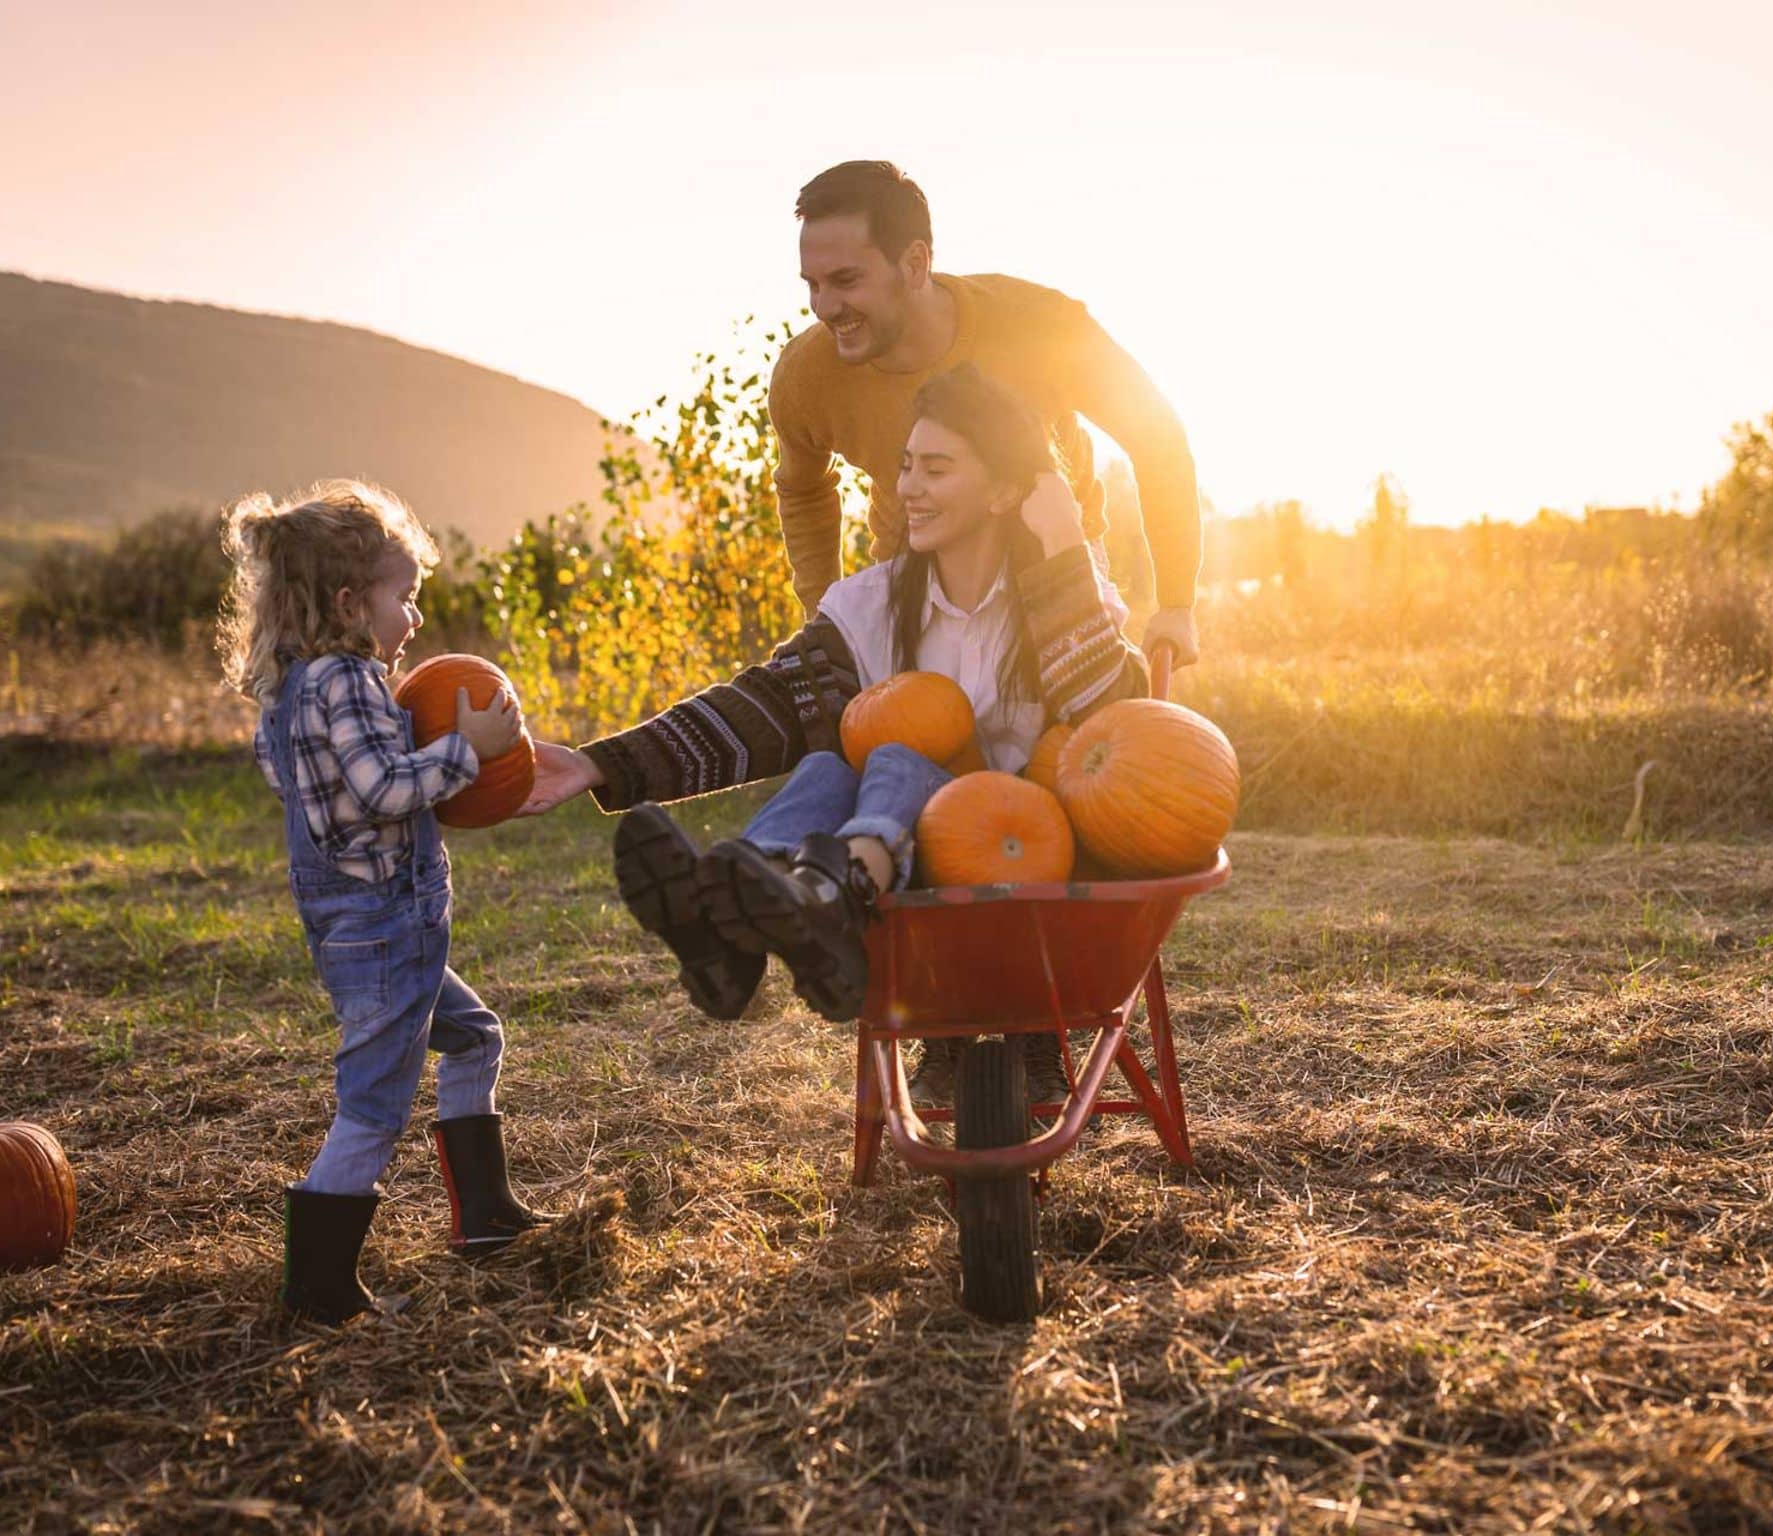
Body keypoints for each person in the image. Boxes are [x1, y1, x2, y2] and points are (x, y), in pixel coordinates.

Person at [521, 366, 1148, 1098]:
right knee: (826, 767)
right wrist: (601, 764)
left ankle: (824, 890)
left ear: (1009, 490)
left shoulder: (1065, 595)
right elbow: (765, 707)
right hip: (905, 887)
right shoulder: (873, 604)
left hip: (1032, 861)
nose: (907, 486)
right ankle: (739, 916)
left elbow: (1115, 722)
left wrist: (1066, 545)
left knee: (896, 754)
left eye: (936, 469)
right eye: (907, 465)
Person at [218, 481, 553, 1325]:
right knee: (372, 1104)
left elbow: (296, 786)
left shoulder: (287, 693)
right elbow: (379, 788)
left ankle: (482, 1216)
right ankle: (319, 1286)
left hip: (346, 923)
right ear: (346, 601)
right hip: (388, 925)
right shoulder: (354, 681)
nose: (412, 617)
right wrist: (464, 752)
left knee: (475, 1036)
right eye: (402, 598)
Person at [771, 159, 1204, 667]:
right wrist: (823, 618)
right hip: (914, 575)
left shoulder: (1038, 325)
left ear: (914, 264)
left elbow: (1156, 436)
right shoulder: (807, 376)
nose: (824, 306)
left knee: (1058, 739)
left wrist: (1176, 603)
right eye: (813, 284)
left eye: (845, 280)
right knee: (913, 737)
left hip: (1055, 562)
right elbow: (803, 489)